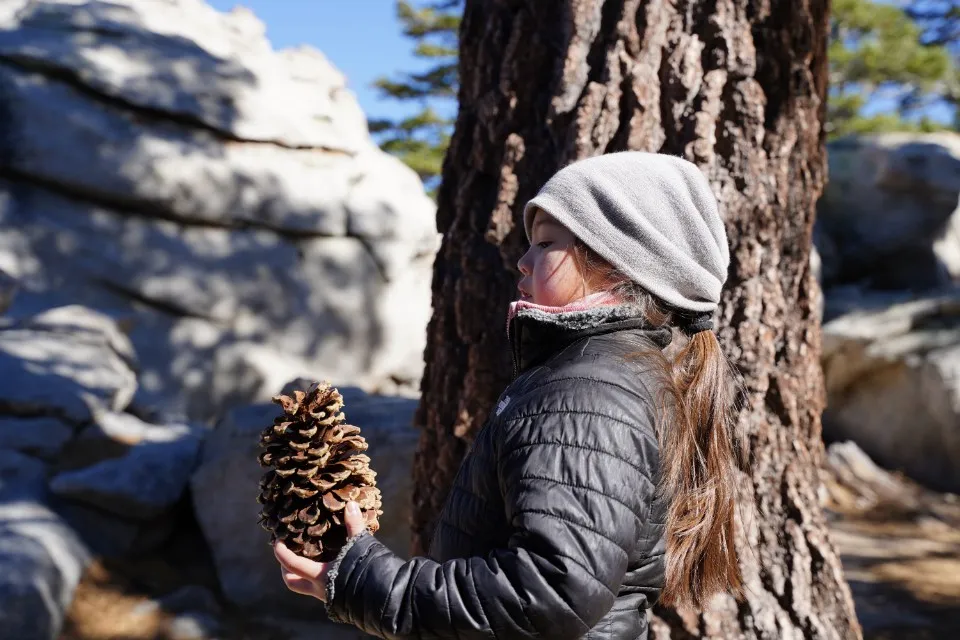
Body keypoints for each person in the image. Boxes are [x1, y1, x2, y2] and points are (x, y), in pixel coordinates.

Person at [273, 151, 744, 639]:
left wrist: (364, 581)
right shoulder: (608, 372)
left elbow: (549, 592)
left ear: (615, 260)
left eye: (544, 244)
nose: (522, 261)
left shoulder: (589, 388)